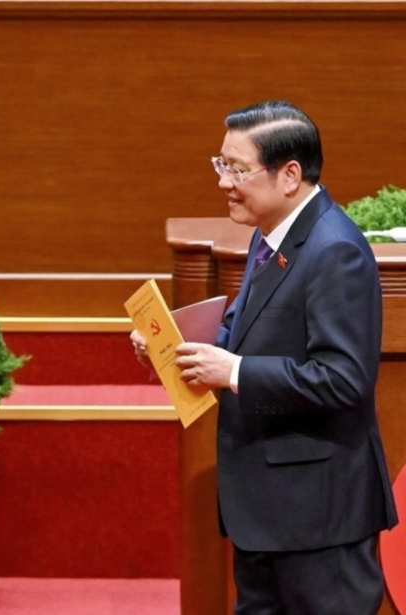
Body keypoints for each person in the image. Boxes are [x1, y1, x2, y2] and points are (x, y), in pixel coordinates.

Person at [133, 101, 397, 614]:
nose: (224, 182)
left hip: (319, 517)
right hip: (269, 511)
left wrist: (232, 371)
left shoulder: (334, 250)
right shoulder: (271, 232)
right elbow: (245, 331)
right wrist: (175, 343)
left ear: (290, 175)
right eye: (221, 165)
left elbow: (344, 380)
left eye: (237, 169)